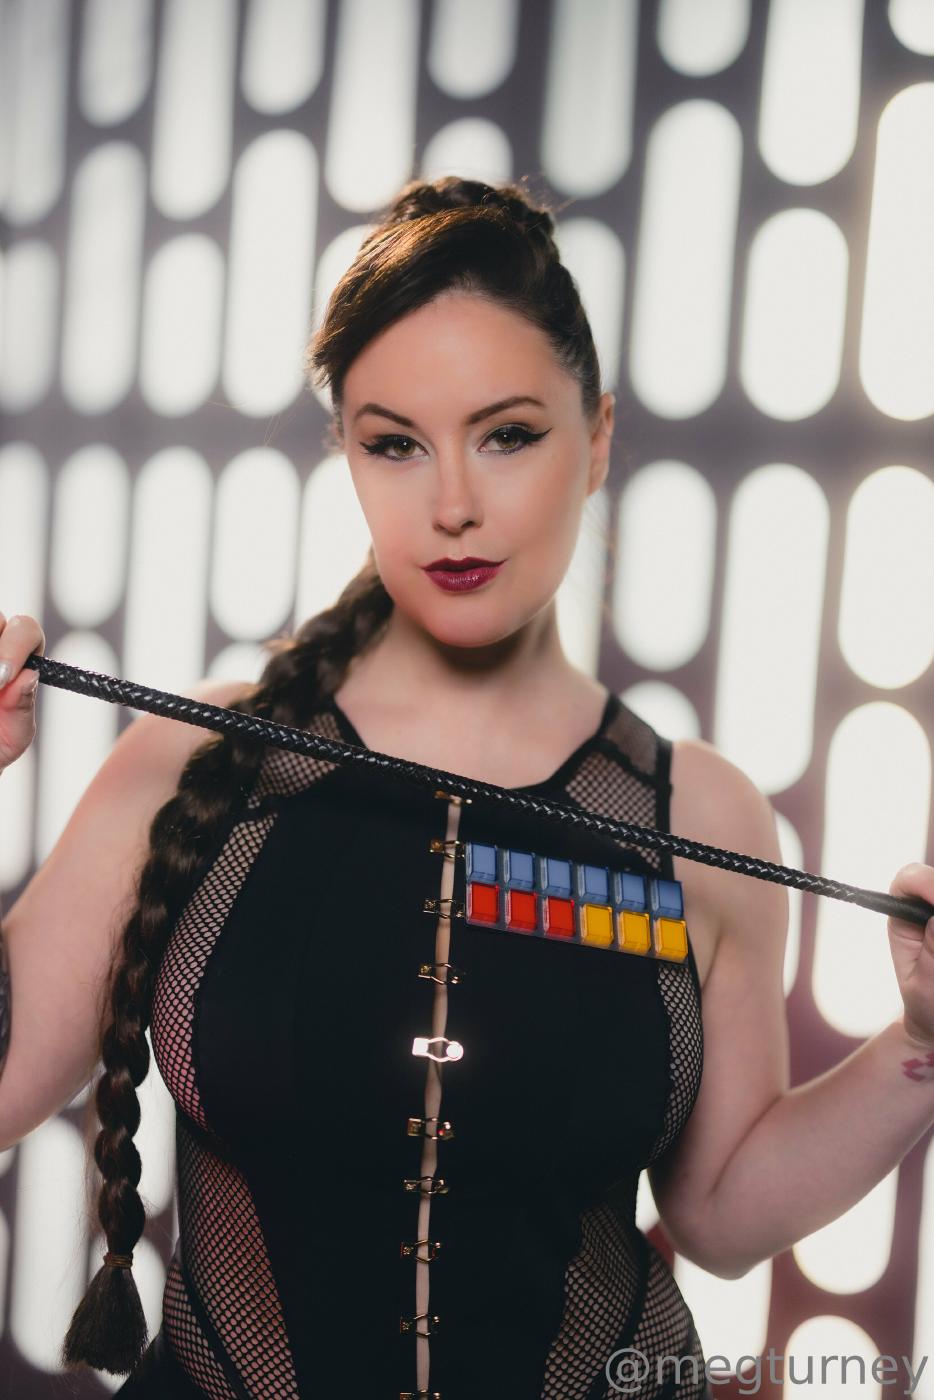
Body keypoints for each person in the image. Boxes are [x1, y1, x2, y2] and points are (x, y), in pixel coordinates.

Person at [0, 175, 932, 1400]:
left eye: (507, 435)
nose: (450, 504)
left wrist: (921, 1040)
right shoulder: (195, 764)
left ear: (597, 440)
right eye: (394, 443)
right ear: (346, 453)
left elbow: (718, 1212)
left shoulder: (698, 817)